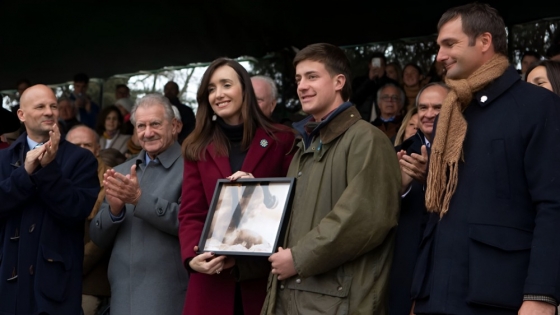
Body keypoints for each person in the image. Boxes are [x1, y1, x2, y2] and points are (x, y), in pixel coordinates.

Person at [411, 3, 560, 315]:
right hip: (435, 297)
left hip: (501, 298)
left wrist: (541, 295)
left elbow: (553, 205)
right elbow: (438, 213)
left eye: (449, 44)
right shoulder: (449, 113)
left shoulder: (538, 106)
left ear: (484, 42)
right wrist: (421, 292)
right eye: (439, 46)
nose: (439, 55)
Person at [261, 43, 401, 314]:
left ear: (339, 82)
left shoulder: (366, 138)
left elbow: (365, 218)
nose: (301, 86)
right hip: (294, 298)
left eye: (312, 76)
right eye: (299, 79)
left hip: (337, 303)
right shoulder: (305, 145)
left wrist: (298, 259)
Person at [178, 58, 295, 315]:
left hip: (263, 280)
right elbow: (191, 212)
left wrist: (260, 191)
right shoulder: (196, 146)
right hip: (211, 281)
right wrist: (191, 258)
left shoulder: (282, 139)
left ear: (245, 90)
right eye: (211, 88)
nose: (218, 94)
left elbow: (296, 206)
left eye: (226, 85)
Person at [0, 84, 99, 314]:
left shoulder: (81, 159)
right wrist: (24, 175)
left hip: (54, 285)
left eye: (53, 106)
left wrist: (48, 170)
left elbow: (76, 210)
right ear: (21, 115)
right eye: (40, 106)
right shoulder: (4, 159)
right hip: (7, 285)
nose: (49, 111)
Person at [90, 94, 188, 315]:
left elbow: (193, 225)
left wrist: (139, 200)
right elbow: (98, 237)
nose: (148, 132)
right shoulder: (122, 171)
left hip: (169, 295)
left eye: (155, 124)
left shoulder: (191, 166)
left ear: (175, 126)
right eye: (141, 126)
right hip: (122, 296)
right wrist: (114, 211)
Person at [389, 82, 448, 315]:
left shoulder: (471, 148)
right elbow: (378, 215)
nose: (429, 114)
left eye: (437, 107)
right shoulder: (399, 153)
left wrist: (430, 180)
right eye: (423, 107)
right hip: (407, 264)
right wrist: (400, 189)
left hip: (449, 265)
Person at [66, 125, 111, 315]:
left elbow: (104, 236)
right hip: (54, 277)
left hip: (90, 282)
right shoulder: (53, 175)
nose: (82, 150)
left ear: (97, 149)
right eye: (77, 145)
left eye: (88, 145)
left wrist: (74, 266)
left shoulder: (111, 179)